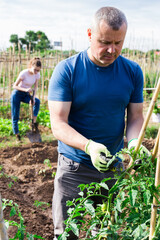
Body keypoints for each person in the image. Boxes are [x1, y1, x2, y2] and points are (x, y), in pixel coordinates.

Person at [48, 6, 150, 240]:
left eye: (118, 43)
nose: (111, 50)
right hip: (74, 167)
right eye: (104, 42)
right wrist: (89, 146)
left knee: (105, 233)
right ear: (90, 34)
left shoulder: (132, 71)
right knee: (66, 234)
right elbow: (58, 123)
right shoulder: (68, 70)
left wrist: (133, 143)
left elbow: (135, 117)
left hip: (113, 168)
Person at [11, 57, 41, 141]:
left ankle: (33, 123)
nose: (36, 72)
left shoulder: (37, 75)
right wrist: (25, 89)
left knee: (37, 102)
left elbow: (35, 87)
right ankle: (17, 135)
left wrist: (33, 98)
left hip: (26, 94)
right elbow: (14, 86)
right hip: (17, 94)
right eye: (35, 69)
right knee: (15, 115)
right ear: (31, 65)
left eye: (38, 70)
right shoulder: (24, 73)